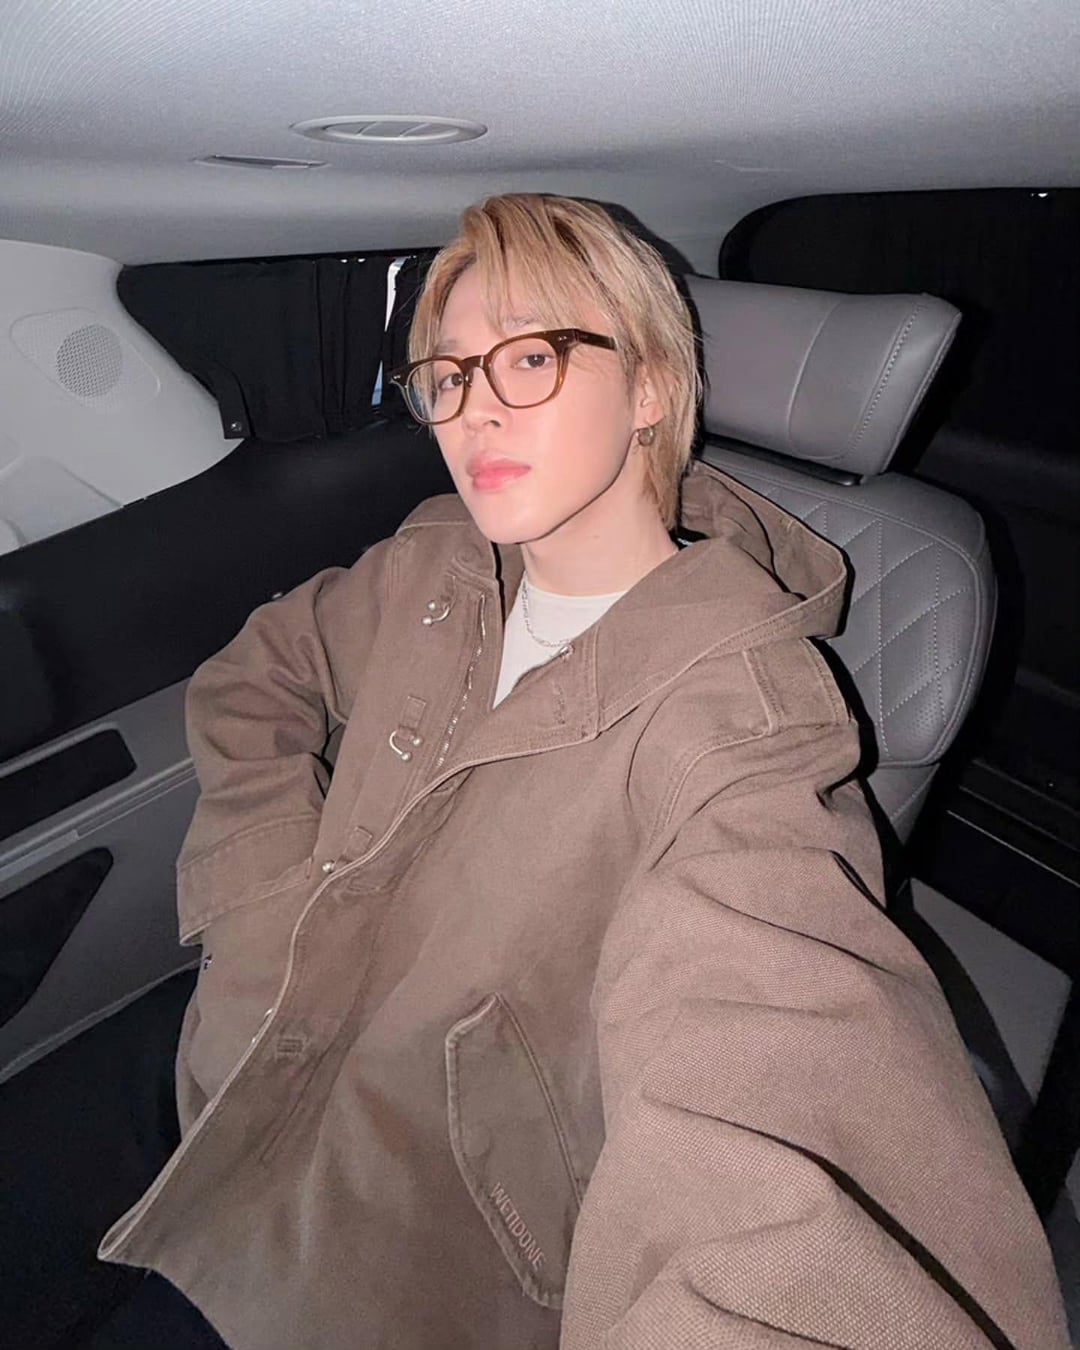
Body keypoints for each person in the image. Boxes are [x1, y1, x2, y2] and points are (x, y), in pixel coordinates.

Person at [91, 194, 1066, 1348]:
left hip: (418, 1252)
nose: (472, 411)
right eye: (448, 373)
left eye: (529, 358)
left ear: (649, 387)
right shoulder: (437, 555)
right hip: (243, 1091)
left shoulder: (745, 720)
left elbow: (774, 1033)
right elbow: (257, 678)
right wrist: (263, 906)